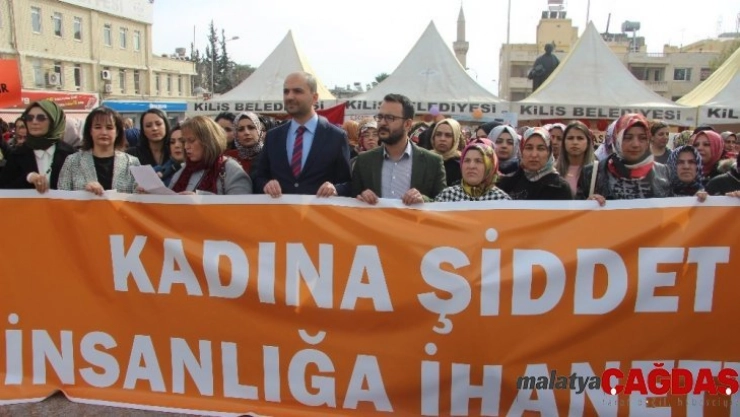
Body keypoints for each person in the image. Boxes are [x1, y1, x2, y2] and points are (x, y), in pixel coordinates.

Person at [252, 72, 351, 198]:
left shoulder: (336, 137)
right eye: (286, 91)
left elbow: (348, 184)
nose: (289, 97)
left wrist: (335, 189)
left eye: (297, 91)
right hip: (281, 209)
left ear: (314, 97)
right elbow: (259, 178)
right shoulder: (273, 137)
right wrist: (266, 185)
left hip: (318, 210)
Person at [352, 93, 447, 205]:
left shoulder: (433, 162)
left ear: (407, 124)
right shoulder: (364, 161)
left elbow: (443, 205)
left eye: (389, 118)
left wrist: (423, 200)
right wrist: (361, 197)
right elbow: (352, 201)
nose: (382, 122)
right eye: (380, 117)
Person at [586, 113, 671, 204]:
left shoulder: (663, 172)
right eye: (628, 138)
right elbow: (577, 208)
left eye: (642, 138)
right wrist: (587, 203)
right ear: (617, 139)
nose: (635, 144)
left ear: (648, 140)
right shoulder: (593, 172)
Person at [58, 107, 140, 194]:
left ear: (117, 132)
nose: (103, 132)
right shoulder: (72, 161)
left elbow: (138, 197)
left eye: (109, 127)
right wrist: (83, 193)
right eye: (97, 127)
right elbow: (62, 196)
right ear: (90, 131)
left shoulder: (132, 162)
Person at [0, 100, 75, 192]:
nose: (34, 122)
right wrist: (28, 178)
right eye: (29, 118)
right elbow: (4, 189)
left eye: (41, 118)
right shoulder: (17, 155)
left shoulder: (72, 155)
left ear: (54, 121)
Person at [169, 116, 252, 195]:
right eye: (184, 141)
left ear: (208, 141)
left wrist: (200, 198)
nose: (186, 146)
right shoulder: (183, 171)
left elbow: (241, 203)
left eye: (191, 140)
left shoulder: (232, 170)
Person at [497, 127, 572, 200]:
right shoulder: (508, 183)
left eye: (540, 148)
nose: (534, 155)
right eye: (529, 148)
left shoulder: (559, 187)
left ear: (549, 153)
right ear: (521, 151)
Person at [435, 138, 510, 202]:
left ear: (489, 167)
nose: (471, 166)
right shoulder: (447, 196)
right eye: (467, 160)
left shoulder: (502, 200)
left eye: (478, 161)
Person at [126, 108, 173, 183]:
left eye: (158, 124)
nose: (154, 128)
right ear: (143, 130)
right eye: (148, 126)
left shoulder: (176, 151)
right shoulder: (131, 155)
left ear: (166, 126)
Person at [556, 121, 596, 199]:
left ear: (588, 142)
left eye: (580, 138)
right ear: (564, 142)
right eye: (570, 138)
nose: (575, 142)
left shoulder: (597, 172)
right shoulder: (554, 171)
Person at [224, 112, 265, 176]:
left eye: (251, 127)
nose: (246, 132)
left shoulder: (270, 155)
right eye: (241, 129)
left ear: (259, 130)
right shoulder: (228, 157)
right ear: (236, 134)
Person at [429, 118, 462, 186]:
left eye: (448, 135)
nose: (442, 139)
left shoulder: (461, 164)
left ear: (455, 138)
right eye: (438, 134)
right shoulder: (425, 159)